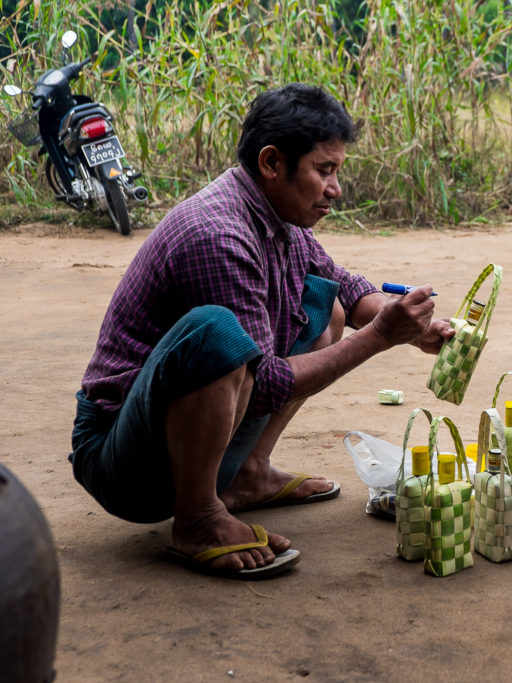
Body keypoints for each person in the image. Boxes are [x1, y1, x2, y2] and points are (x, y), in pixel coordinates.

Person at [70, 83, 453, 579]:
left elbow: (344, 285)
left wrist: (406, 320)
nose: (336, 188)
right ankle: (197, 518)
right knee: (216, 333)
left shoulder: (278, 216)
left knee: (327, 306)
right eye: (325, 170)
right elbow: (269, 381)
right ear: (272, 163)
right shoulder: (219, 234)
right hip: (124, 463)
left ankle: (247, 472)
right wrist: (380, 335)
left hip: (175, 439)